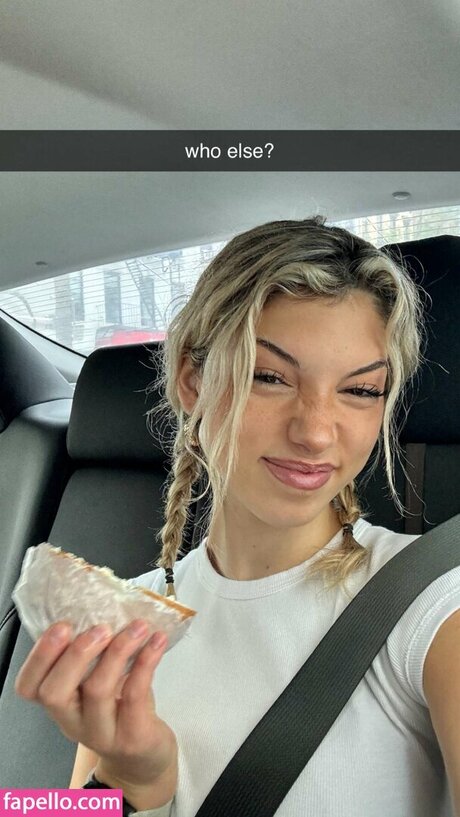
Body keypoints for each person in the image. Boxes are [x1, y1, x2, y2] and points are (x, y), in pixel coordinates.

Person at [15, 217, 460, 817]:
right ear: (193, 382)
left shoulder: (435, 603)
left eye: (360, 391)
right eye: (269, 377)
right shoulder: (127, 623)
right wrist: (132, 782)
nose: (315, 432)